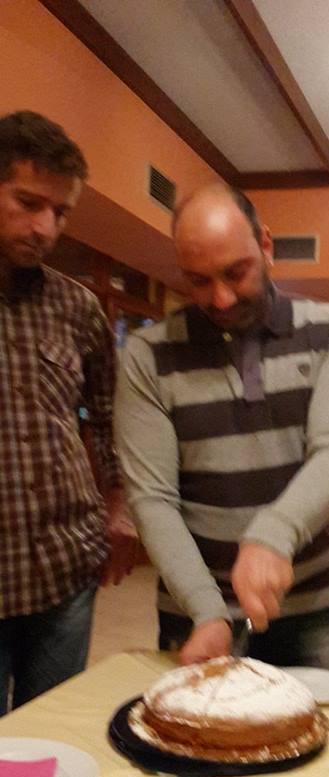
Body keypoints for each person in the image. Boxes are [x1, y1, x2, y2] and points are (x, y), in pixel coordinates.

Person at [115, 183, 329, 674]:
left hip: (314, 608)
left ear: (266, 245)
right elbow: (152, 500)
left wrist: (273, 534)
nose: (222, 297)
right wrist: (206, 609)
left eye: (236, 273)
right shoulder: (148, 355)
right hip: (196, 613)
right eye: (199, 281)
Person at [0, 111, 138, 715]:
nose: (45, 227)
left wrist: (120, 510)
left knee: (51, 740)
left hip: (64, 568)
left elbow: (109, 417)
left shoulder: (78, 307)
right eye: (28, 203)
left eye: (60, 212)